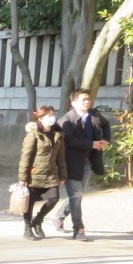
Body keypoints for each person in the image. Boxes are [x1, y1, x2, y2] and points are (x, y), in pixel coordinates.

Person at [53, 88, 111, 241]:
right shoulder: (66, 120)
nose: (87, 102)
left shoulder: (94, 115)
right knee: (76, 195)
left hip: (87, 162)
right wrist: (91, 144)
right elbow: (69, 140)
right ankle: (78, 229)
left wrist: (106, 140)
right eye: (83, 100)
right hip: (70, 163)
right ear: (73, 103)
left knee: (77, 195)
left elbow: (106, 125)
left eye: (88, 99)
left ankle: (59, 216)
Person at [17, 105, 67, 240]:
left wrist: (63, 175)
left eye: (53, 115)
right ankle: (27, 228)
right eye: (48, 116)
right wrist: (23, 177)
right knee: (30, 202)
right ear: (40, 118)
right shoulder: (33, 134)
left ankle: (38, 220)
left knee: (53, 199)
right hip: (34, 174)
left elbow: (61, 157)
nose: (52, 118)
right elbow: (25, 157)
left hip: (51, 174)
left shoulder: (58, 134)